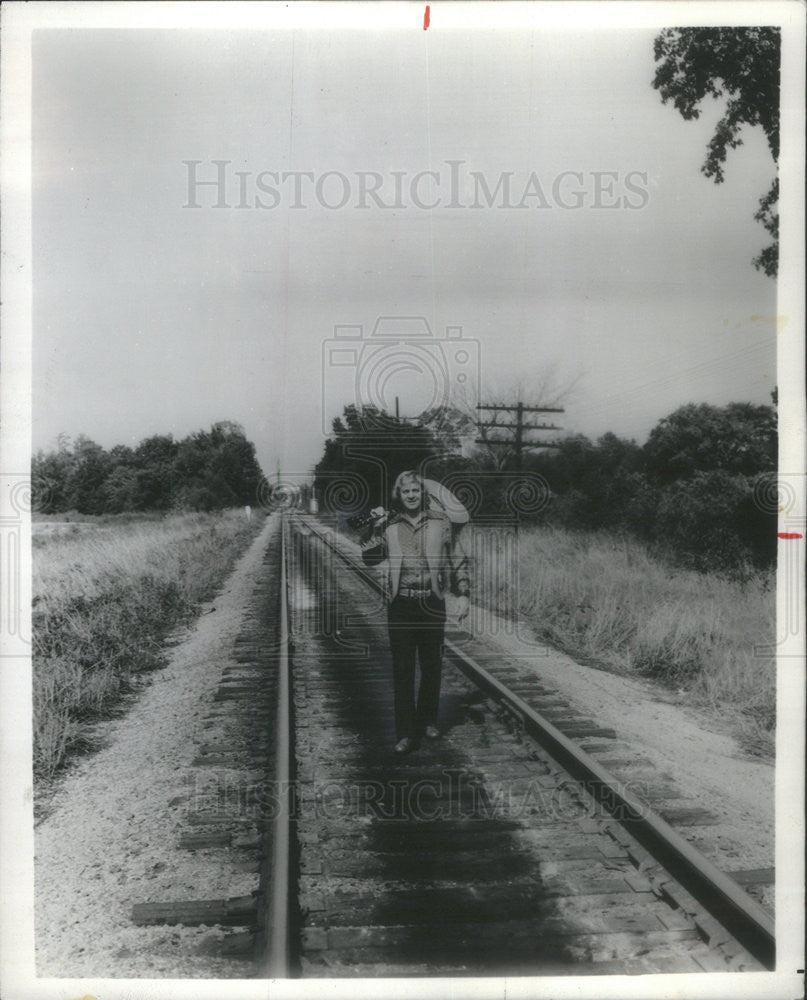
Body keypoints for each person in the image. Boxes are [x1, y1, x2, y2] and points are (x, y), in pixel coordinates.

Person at [361, 471, 470, 753]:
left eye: (415, 490)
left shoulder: (441, 522)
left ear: (423, 494)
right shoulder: (389, 525)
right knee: (403, 669)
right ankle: (405, 733)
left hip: (431, 603)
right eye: (405, 491)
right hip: (402, 606)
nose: (410, 495)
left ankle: (428, 721)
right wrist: (372, 528)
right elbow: (369, 558)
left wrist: (464, 593)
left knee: (432, 667)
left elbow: (457, 558)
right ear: (399, 495)